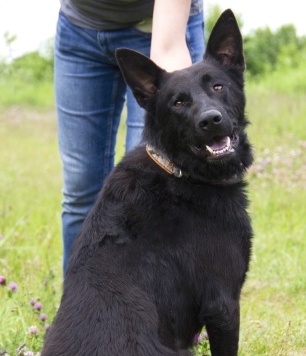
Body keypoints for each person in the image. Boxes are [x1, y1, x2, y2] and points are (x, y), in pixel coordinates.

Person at [55, 0, 206, 274]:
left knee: (153, 183)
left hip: (159, 29)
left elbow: (168, 48)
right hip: (80, 27)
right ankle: (77, 310)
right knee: (80, 188)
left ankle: (157, 308)